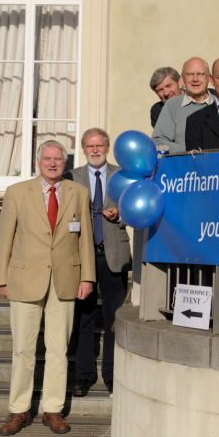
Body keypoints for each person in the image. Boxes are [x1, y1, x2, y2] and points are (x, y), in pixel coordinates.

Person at [0, 140, 94, 436]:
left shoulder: (78, 192)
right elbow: (5, 239)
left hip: (65, 280)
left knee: (58, 349)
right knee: (23, 349)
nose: (52, 163)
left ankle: (52, 410)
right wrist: (1, 279)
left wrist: (87, 277)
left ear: (65, 163)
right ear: (38, 162)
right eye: (47, 159)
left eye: (58, 159)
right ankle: (19, 410)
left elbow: (85, 238)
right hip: (24, 279)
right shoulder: (17, 192)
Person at [69, 128, 130, 398]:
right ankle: (83, 375)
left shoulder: (122, 175)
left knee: (113, 319)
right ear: (83, 149)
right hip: (82, 257)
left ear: (107, 147)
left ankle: (112, 376)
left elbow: (136, 209)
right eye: (90, 146)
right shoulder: (73, 177)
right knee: (83, 317)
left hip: (114, 255)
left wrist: (121, 215)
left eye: (99, 146)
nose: (95, 150)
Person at [152, 57, 213, 152]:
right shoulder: (172, 106)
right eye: (189, 75)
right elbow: (158, 142)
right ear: (182, 78)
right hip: (183, 164)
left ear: (209, 78)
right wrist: (187, 152)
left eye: (200, 74)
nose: (195, 79)